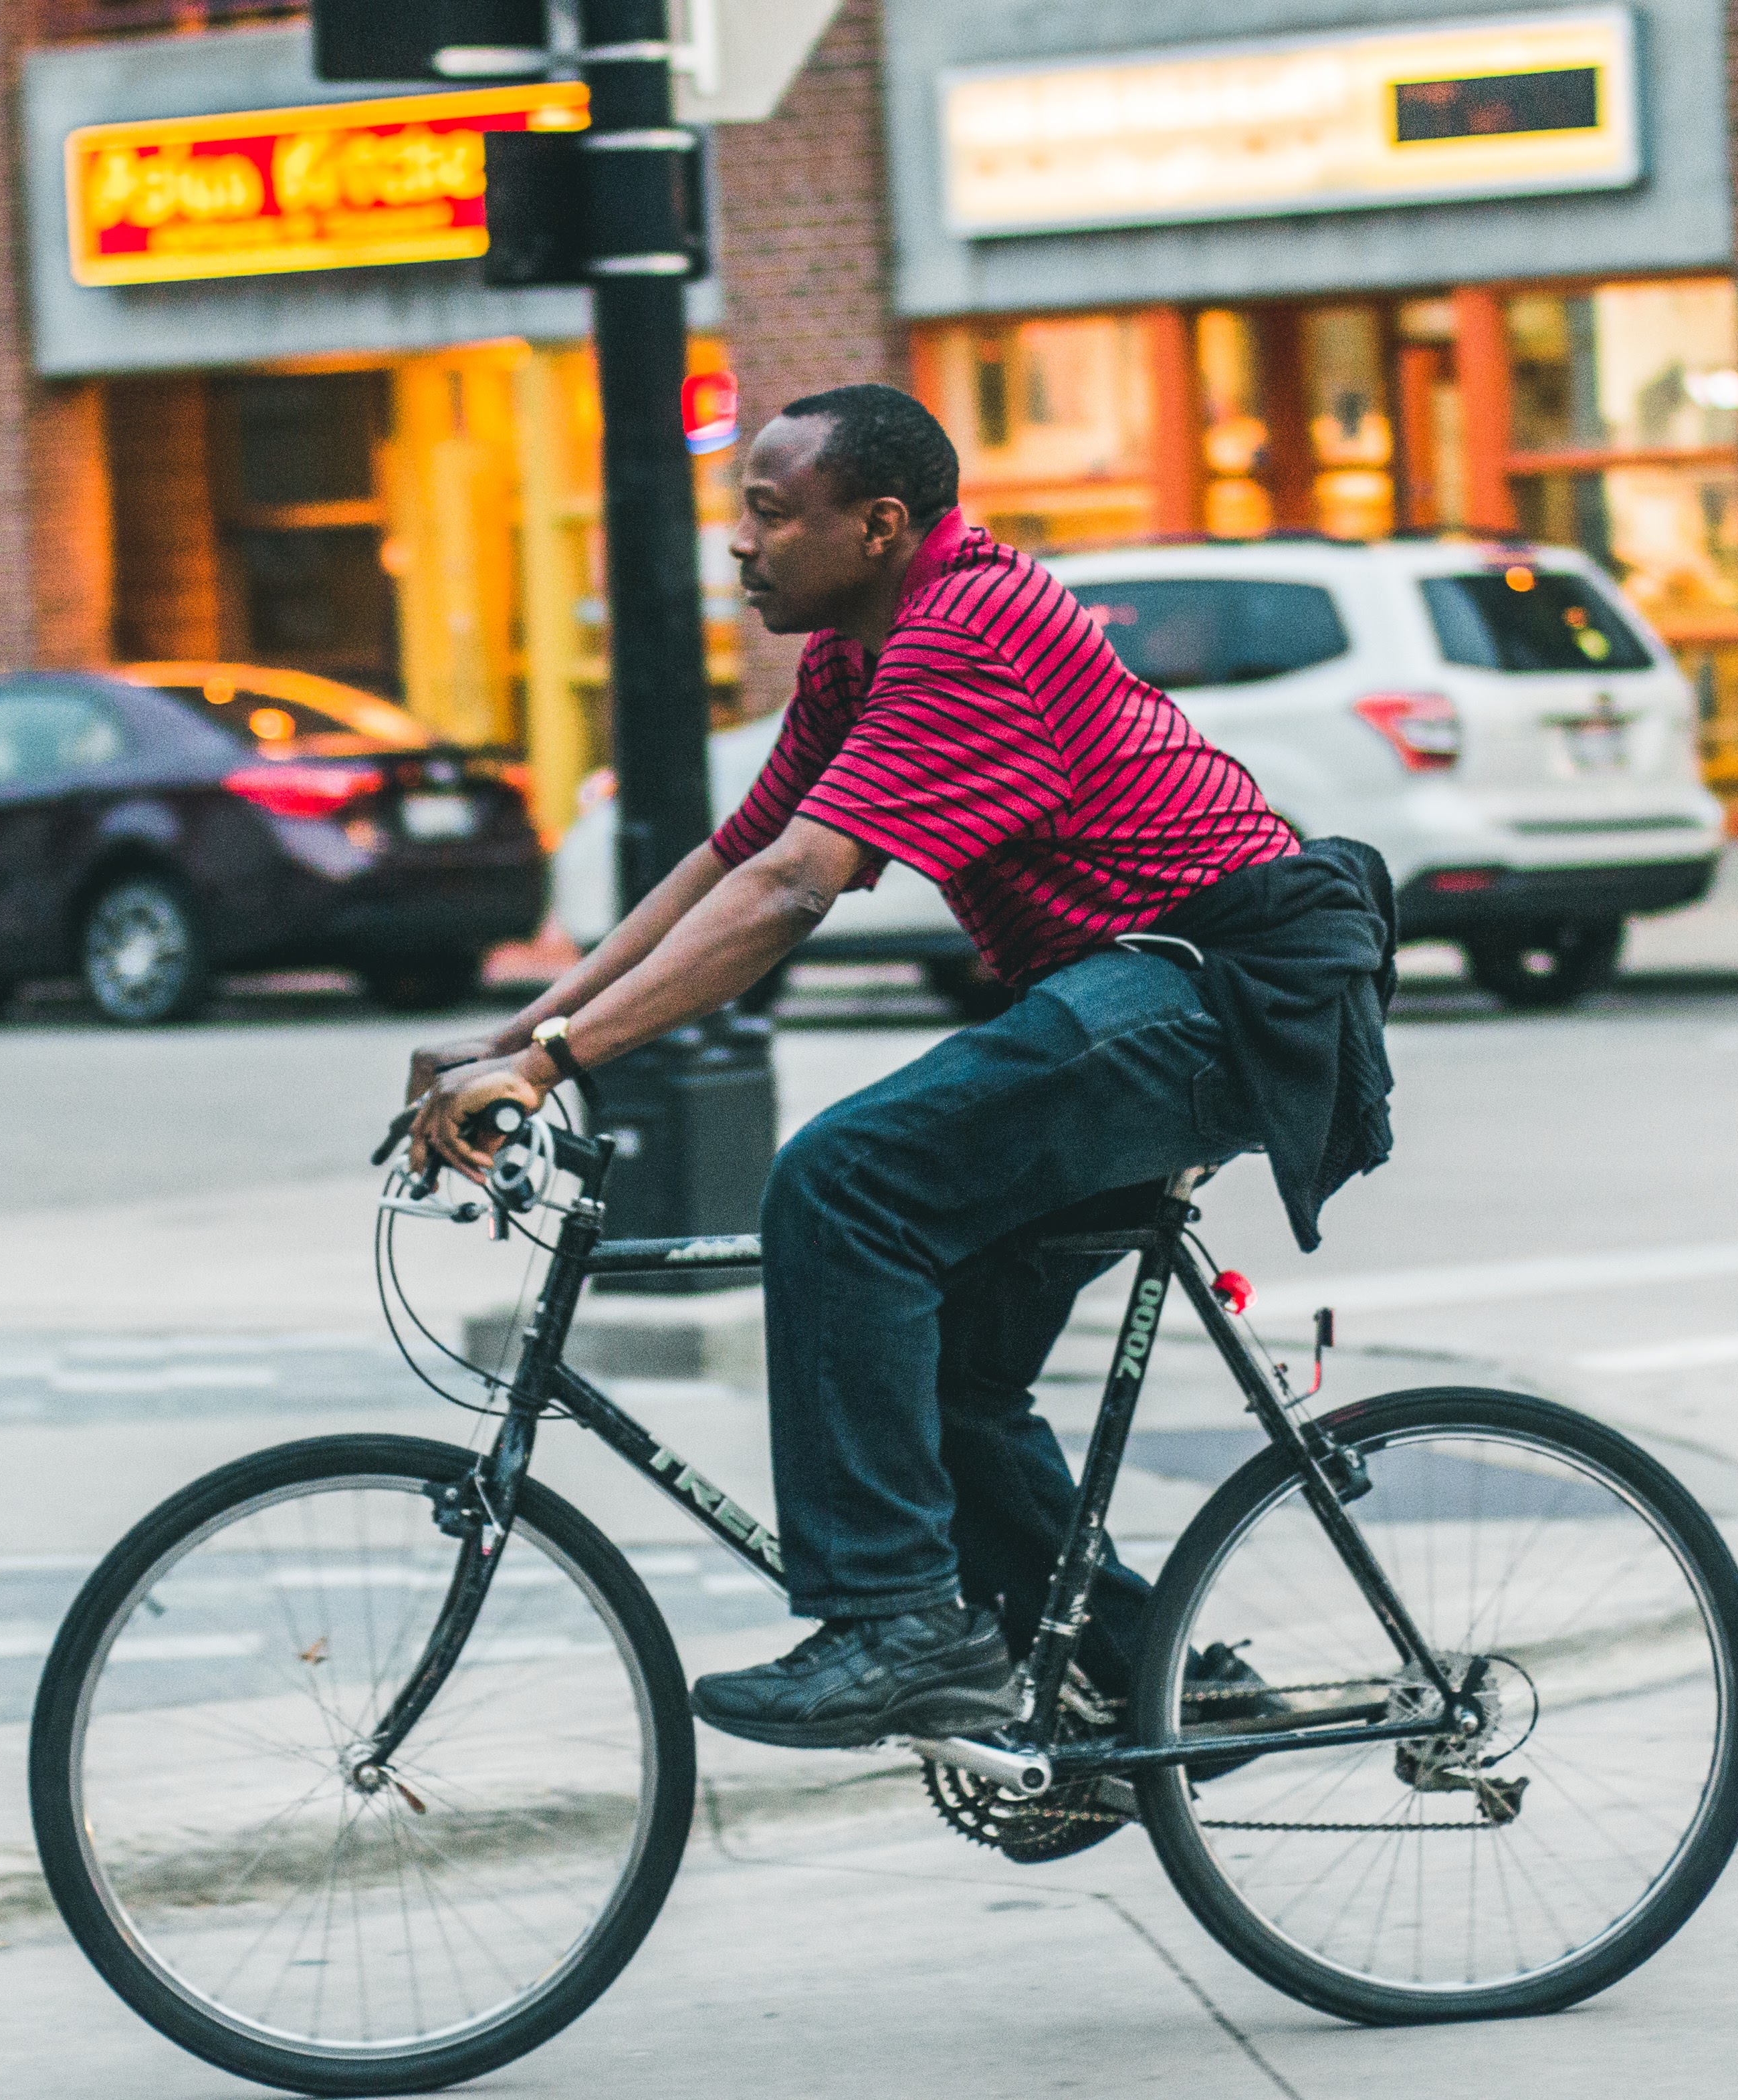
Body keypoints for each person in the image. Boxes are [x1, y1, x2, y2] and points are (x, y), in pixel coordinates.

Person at [405, 383, 1393, 1750]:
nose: (738, 547)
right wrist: (519, 1041)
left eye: (764, 513)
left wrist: (559, 1056)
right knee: (947, 1372)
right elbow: (728, 861)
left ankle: (897, 1619)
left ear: (877, 526)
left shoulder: (966, 635)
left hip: (1220, 984)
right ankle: (1152, 1668)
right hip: (1140, 988)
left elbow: (798, 887)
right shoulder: (855, 652)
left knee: (842, 1179)